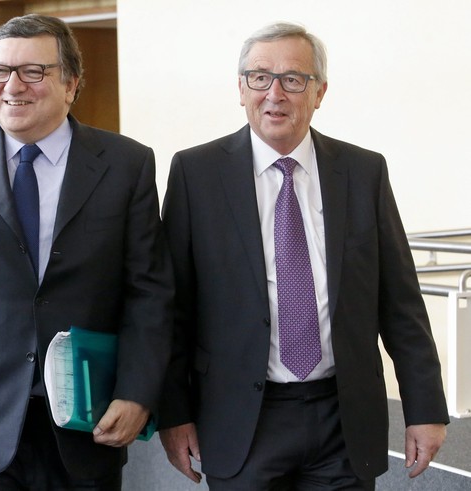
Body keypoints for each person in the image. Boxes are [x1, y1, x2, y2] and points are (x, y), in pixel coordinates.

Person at [158, 21, 449, 490]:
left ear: (320, 92)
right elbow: (172, 310)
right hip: (241, 418)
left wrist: (426, 409)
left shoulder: (363, 172)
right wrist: (174, 414)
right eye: (259, 77)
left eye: (293, 79)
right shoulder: (196, 173)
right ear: (240, 88)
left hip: (343, 417)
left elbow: (400, 303)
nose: (275, 93)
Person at [0, 14, 173, 491]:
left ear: (72, 84)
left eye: (33, 72)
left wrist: (138, 392)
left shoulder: (127, 163)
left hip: (85, 420)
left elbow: (149, 291)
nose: (10, 86)